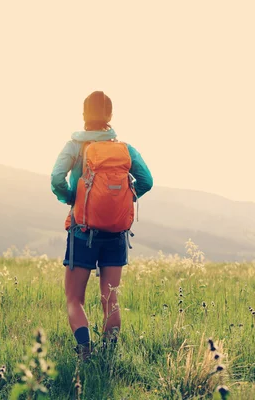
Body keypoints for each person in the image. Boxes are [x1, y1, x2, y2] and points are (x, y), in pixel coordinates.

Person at [50, 91, 153, 359]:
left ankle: (85, 351)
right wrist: (122, 201)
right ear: (110, 116)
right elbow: (147, 181)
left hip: (82, 231)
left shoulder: (75, 146)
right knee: (111, 299)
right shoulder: (124, 149)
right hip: (117, 234)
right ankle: (109, 355)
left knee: (74, 299)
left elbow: (56, 177)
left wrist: (74, 199)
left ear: (84, 115)